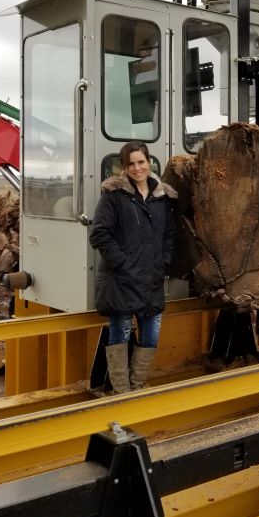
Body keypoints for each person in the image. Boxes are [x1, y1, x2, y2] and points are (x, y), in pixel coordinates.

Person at [89, 141, 177, 393]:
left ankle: (136, 387)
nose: (137, 168)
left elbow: (170, 234)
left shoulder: (162, 197)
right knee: (120, 334)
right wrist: (124, 265)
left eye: (141, 162)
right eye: (131, 164)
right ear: (124, 167)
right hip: (121, 280)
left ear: (149, 162)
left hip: (151, 278)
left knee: (151, 336)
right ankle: (121, 392)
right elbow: (100, 234)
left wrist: (163, 262)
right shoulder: (114, 196)